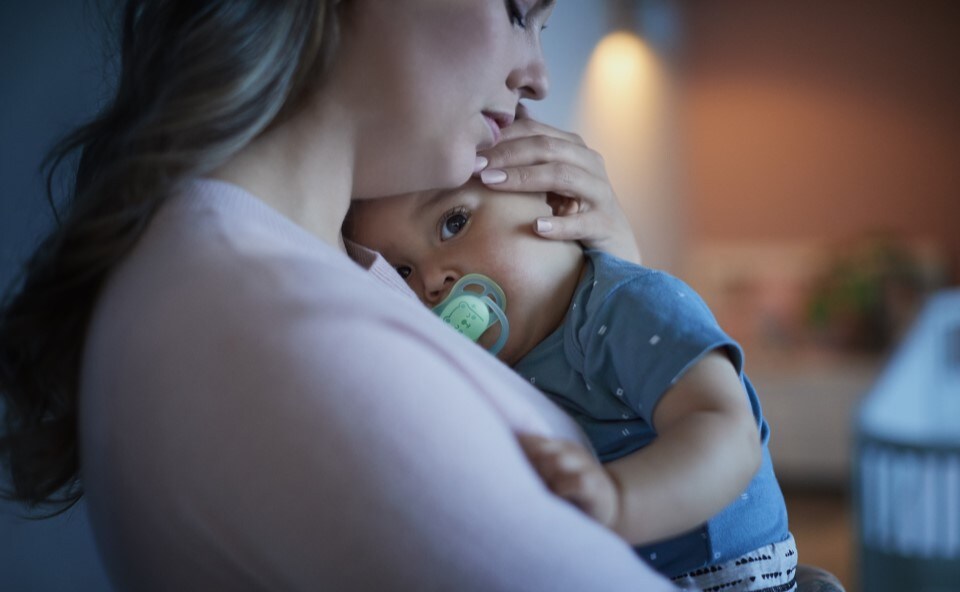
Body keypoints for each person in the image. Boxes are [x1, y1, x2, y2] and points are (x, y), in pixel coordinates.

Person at [0, 1, 679, 590]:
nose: (538, 75)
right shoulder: (278, 330)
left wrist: (608, 293)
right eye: (516, 9)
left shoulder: (313, 268)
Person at [345, 150, 797, 591]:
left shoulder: (626, 306)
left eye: (454, 223)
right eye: (401, 269)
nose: (430, 282)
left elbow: (727, 431)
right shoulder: (490, 368)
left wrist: (618, 500)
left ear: (556, 201)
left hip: (723, 574)